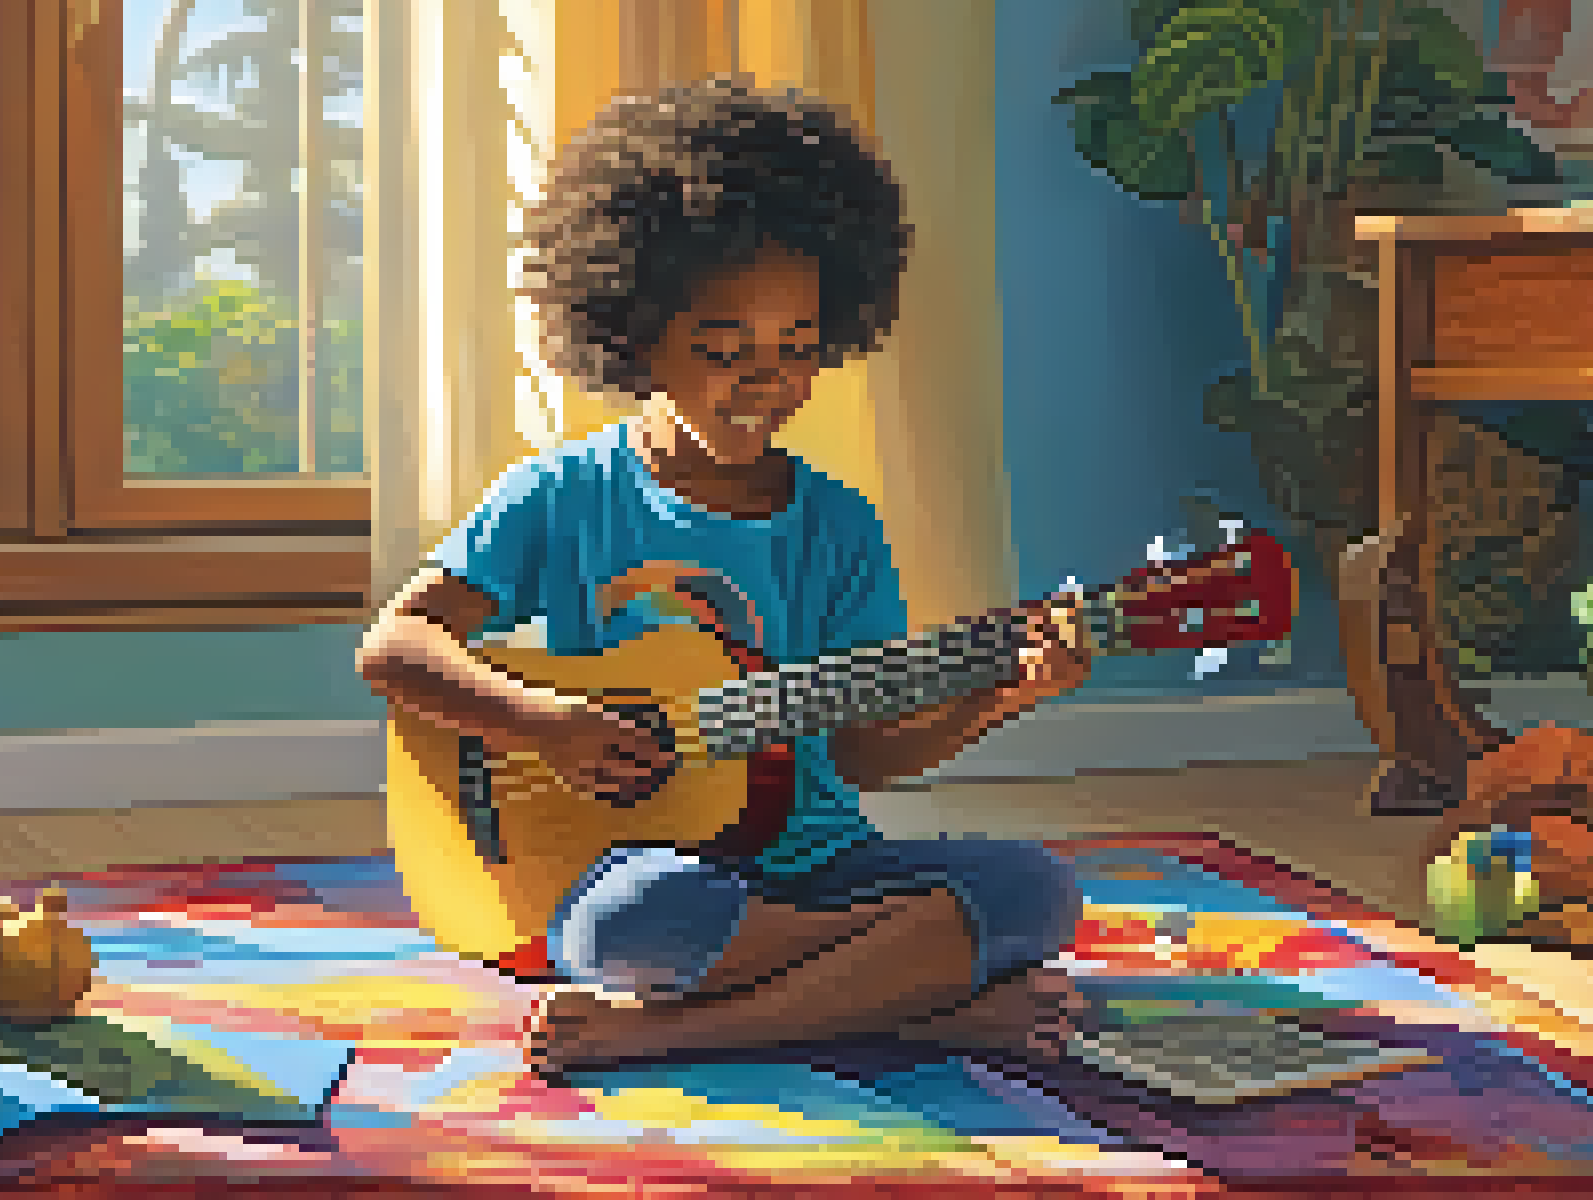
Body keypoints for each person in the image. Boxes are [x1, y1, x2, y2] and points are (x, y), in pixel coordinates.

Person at [355, 73, 1091, 1075]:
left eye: (798, 350)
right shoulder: (563, 495)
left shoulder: (837, 525)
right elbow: (397, 648)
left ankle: (698, 1028)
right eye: (723, 347)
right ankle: (911, 998)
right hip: (643, 866)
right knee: (626, 923)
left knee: (1040, 891)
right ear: (632, 326)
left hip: (818, 864)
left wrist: (998, 699)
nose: (768, 382)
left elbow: (864, 760)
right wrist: (545, 724)